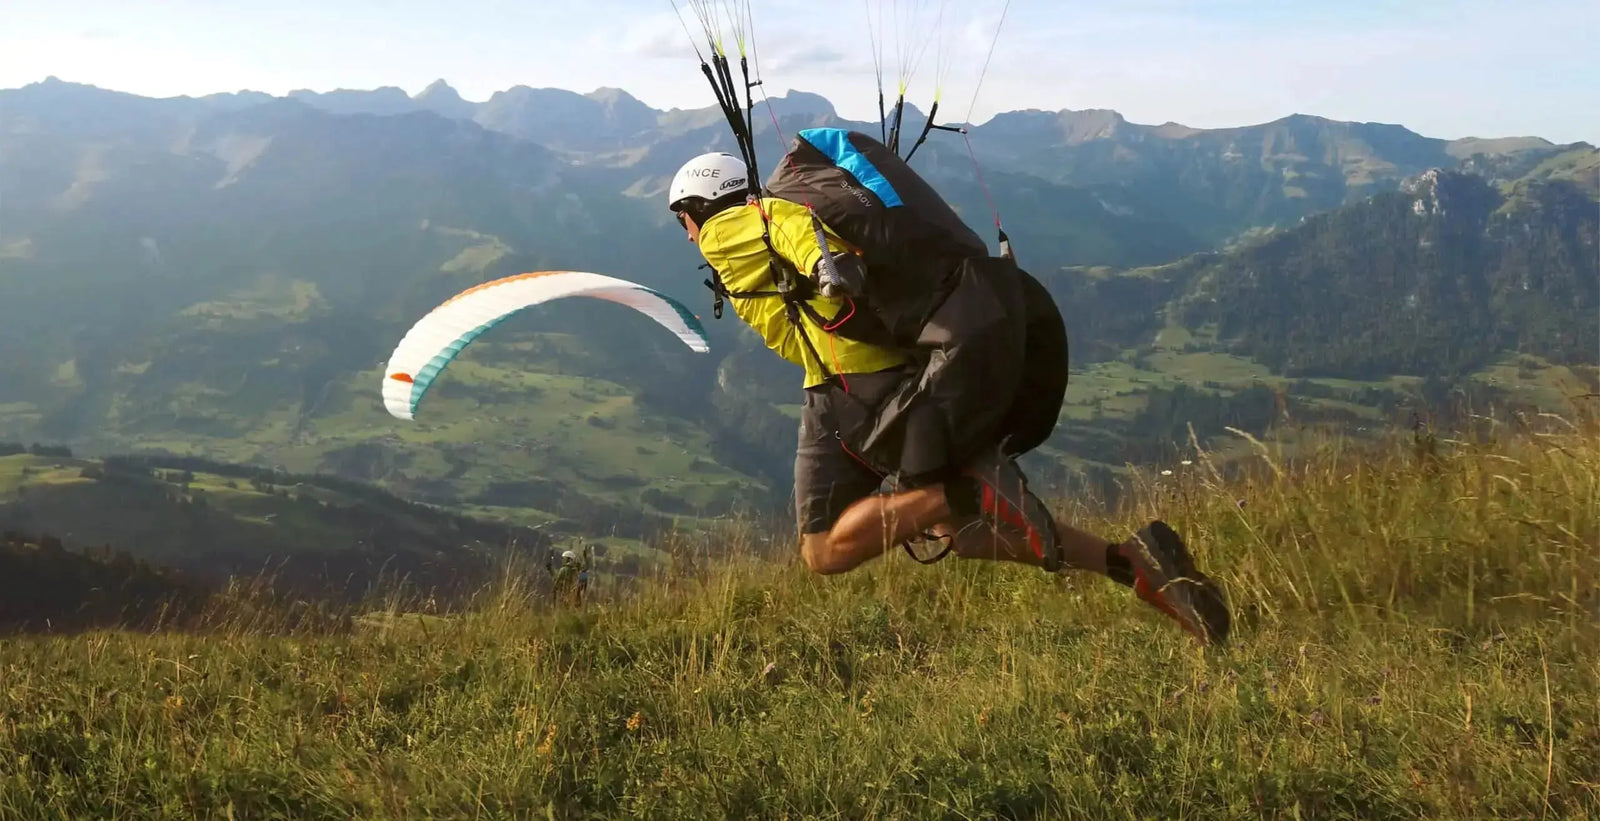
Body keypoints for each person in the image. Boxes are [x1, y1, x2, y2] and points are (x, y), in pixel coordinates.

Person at [668, 152, 1230, 645]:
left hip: (847, 387)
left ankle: (965, 489)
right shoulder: (770, 213)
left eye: (683, 221)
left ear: (697, 207)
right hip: (908, 368)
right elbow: (787, 225)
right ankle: (1132, 562)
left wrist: (822, 264)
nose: (688, 235)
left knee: (824, 549)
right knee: (956, 534)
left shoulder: (730, 226)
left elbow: (785, 224)